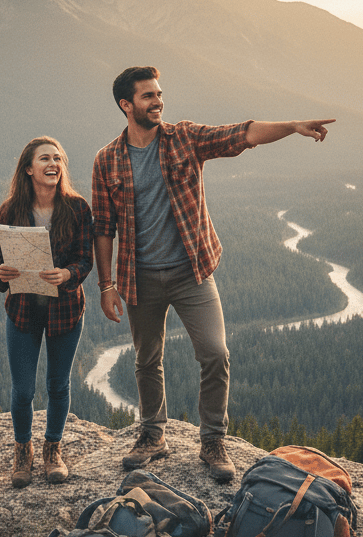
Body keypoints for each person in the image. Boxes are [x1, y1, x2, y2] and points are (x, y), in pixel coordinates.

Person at [92, 66, 335, 482]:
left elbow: (242, 134)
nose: (159, 101)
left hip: (192, 272)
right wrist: (106, 285)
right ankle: (152, 435)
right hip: (140, 278)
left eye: (159, 93)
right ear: (126, 105)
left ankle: (213, 440)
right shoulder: (108, 160)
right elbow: (102, 227)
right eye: (149, 96)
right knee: (147, 359)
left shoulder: (184, 137)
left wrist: (293, 126)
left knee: (215, 353)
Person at [0, 136, 93, 488]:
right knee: (22, 390)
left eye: (58, 159)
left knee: (57, 384)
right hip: (22, 309)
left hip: (64, 309)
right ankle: (23, 451)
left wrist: (67, 274)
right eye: (45, 159)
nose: (53, 164)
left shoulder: (78, 208)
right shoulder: (11, 211)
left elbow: (85, 260)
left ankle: (53, 448)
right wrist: (2, 273)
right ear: (28, 169)